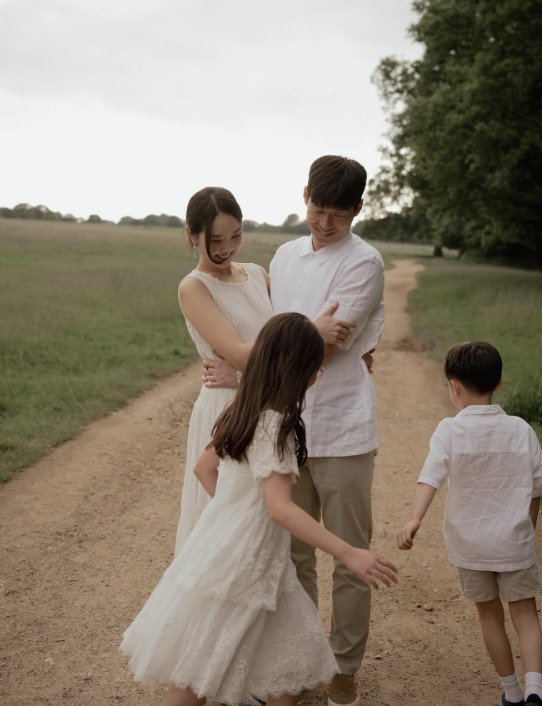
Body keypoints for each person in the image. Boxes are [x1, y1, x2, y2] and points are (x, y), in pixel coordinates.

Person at [120, 313, 398, 706]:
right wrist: (349, 552)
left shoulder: (243, 407)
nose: (320, 369)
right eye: (314, 362)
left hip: (238, 550)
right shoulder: (277, 425)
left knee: (286, 671)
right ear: (294, 368)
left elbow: (205, 468)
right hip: (244, 563)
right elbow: (280, 509)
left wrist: (236, 516)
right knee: (199, 679)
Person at [203, 156, 385, 706]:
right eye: (316, 208)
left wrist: (280, 349)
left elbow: (328, 345)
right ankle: (301, 666)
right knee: (291, 555)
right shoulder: (283, 256)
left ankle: (344, 670)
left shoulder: (365, 263)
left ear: (357, 210)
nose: (323, 223)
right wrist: (307, 332)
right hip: (283, 424)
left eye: (336, 214)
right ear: (304, 194)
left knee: (351, 556)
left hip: (343, 427)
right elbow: (294, 338)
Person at [175, 186, 351, 555]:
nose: (226, 249)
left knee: (270, 522)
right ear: (191, 236)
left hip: (266, 402)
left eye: (235, 236)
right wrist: (311, 330)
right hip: (226, 407)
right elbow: (241, 354)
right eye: (215, 240)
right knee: (228, 531)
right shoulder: (194, 287)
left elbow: (275, 347)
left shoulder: (257, 274)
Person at [397, 341, 542, 706]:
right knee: (525, 612)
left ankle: (510, 691)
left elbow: (430, 477)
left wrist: (415, 518)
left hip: (471, 544)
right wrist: (528, 526)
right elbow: (537, 486)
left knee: (489, 614)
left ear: (454, 386)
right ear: (500, 383)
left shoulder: (450, 430)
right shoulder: (521, 429)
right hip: (514, 542)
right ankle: (536, 688)